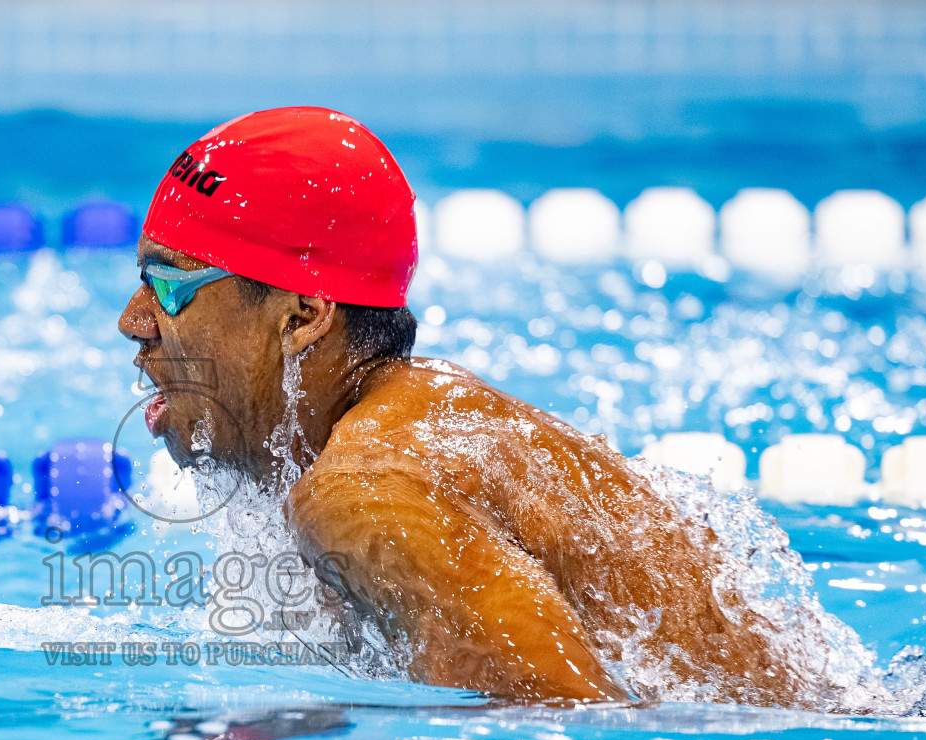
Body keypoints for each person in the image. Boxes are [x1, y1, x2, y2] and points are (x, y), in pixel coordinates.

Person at [117, 106, 833, 709]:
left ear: (304, 316)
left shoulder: (362, 492)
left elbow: (576, 736)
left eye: (170, 285)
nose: (133, 320)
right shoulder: (421, 416)